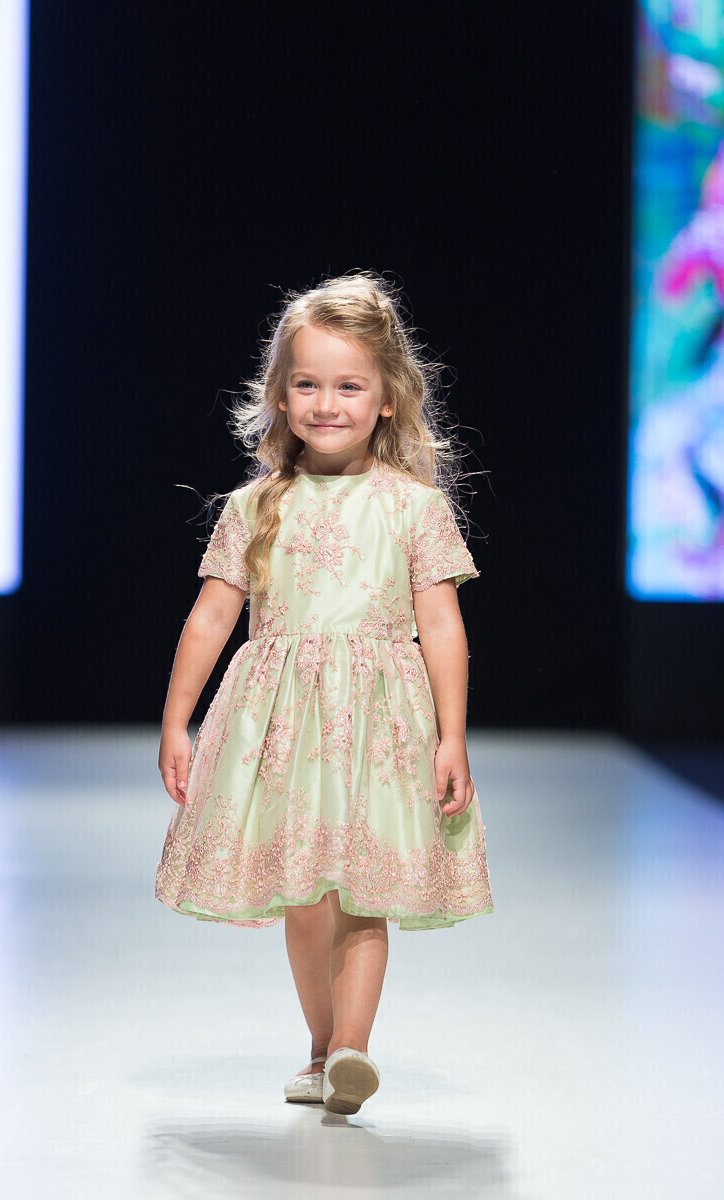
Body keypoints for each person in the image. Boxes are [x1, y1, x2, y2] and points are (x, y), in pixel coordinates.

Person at [155, 270, 494, 1115]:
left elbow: (441, 624)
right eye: (307, 384)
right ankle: (322, 1049)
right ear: (280, 395)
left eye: (349, 386)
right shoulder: (256, 505)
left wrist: (452, 734)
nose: (326, 403)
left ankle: (352, 1048)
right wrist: (177, 719)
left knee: (362, 891)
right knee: (304, 898)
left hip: (380, 727)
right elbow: (210, 618)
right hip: (281, 731)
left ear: (388, 399)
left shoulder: (414, 507)